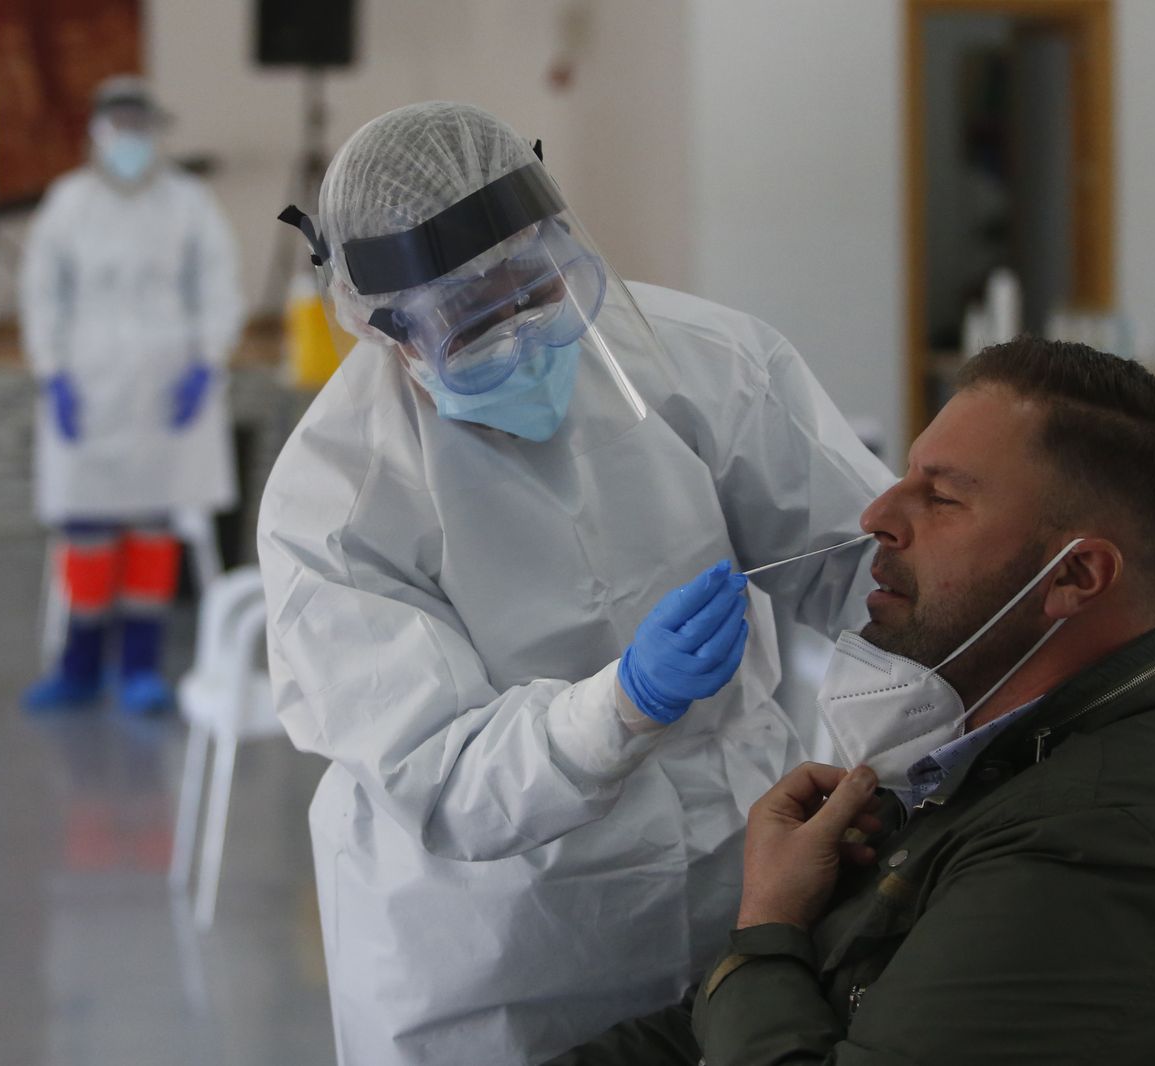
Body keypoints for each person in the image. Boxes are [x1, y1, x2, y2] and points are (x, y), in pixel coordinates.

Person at [259, 101, 892, 1066]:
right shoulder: (335, 502)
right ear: (387, 330)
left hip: (733, 890)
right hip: (494, 960)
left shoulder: (701, 362)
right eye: (473, 320)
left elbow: (864, 565)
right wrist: (624, 705)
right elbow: (445, 776)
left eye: (537, 286)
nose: (523, 334)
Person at [548, 337, 1155, 1066]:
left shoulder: (1101, 850)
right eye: (905, 476)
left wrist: (769, 926)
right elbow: (707, 1031)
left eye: (941, 497)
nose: (877, 515)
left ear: (1075, 578)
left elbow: (761, 998)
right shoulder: (983, 765)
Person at [20, 76, 243, 714]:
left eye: (140, 127)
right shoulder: (68, 203)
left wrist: (208, 362)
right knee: (85, 524)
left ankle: (140, 665)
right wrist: (52, 371)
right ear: (96, 131)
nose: (130, 141)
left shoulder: (188, 203)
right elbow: (42, 291)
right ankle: (79, 666)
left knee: (154, 523)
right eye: (118, 127)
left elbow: (219, 283)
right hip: (87, 382)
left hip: (165, 384)